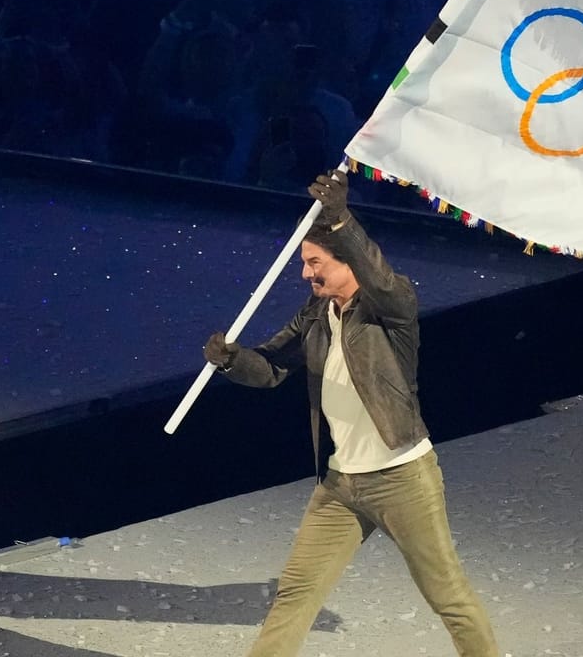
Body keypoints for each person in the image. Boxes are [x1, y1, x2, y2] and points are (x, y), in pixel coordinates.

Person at [202, 170, 499, 657]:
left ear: (347, 263)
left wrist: (341, 219)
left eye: (314, 262)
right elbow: (272, 367)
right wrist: (233, 360)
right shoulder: (316, 315)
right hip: (341, 486)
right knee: (296, 593)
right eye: (304, 263)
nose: (306, 273)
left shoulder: (391, 307)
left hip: (402, 479)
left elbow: (378, 275)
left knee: (447, 595)